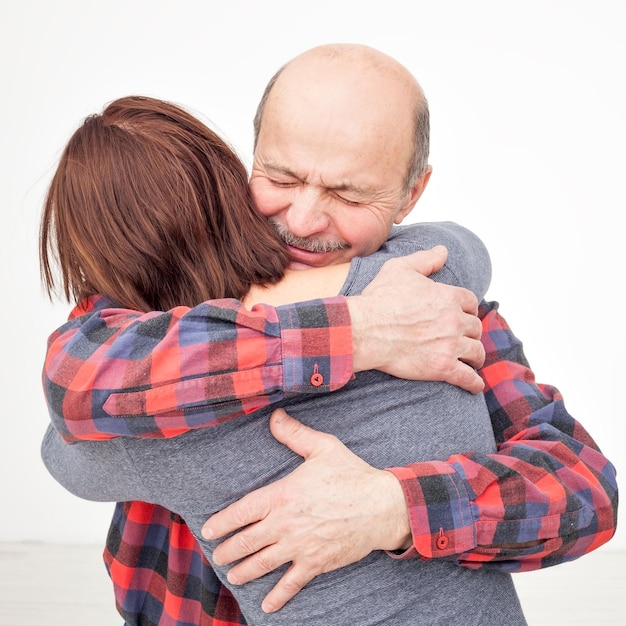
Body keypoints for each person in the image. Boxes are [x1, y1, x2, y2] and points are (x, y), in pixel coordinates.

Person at [40, 44, 617, 625]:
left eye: (347, 194)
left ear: (410, 195)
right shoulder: (161, 285)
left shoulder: (440, 311)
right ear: (253, 155)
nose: (302, 221)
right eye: (281, 177)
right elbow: (76, 385)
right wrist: (358, 330)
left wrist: (391, 509)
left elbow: (586, 492)